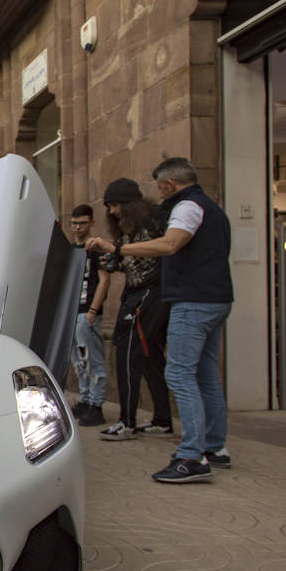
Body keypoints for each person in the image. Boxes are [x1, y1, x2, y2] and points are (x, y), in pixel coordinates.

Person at [93, 159, 233, 483]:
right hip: (217, 299)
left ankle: (192, 456)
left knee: (180, 373)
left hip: (193, 301)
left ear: (169, 185)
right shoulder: (213, 208)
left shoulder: (186, 207)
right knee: (205, 374)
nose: (158, 193)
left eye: (159, 187)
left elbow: (171, 244)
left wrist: (118, 248)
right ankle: (215, 446)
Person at [86, 179, 173, 442]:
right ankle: (162, 419)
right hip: (139, 292)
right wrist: (117, 263)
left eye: (115, 205)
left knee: (127, 353)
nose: (112, 211)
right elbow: (136, 262)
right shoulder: (129, 229)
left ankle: (127, 421)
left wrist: (117, 252)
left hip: (149, 293)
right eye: (109, 206)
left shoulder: (153, 223)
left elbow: (156, 257)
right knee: (150, 357)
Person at [68, 204, 110, 427]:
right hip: (73, 312)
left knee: (93, 360)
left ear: (91, 223)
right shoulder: (72, 250)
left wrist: (94, 310)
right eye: (74, 223)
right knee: (79, 360)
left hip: (88, 311)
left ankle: (96, 404)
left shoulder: (96, 248)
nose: (77, 227)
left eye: (82, 223)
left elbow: (105, 280)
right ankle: (85, 399)